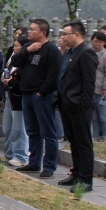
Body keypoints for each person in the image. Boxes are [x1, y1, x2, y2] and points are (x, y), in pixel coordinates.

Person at [12, 19, 62, 178]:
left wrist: (42, 92)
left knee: (48, 132)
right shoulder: (28, 47)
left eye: (33, 29)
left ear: (43, 32)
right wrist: (27, 50)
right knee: (32, 132)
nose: (30, 32)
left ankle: (49, 166)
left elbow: (53, 74)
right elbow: (15, 61)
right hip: (26, 94)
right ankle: (33, 162)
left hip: (41, 96)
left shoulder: (51, 50)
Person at [57, 22, 99, 192]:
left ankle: (86, 179)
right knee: (73, 141)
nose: (63, 37)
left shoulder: (86, 53)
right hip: (66, 103)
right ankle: (76, 173)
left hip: (79, 105)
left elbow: (89, 82)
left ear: (76, 34)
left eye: (66, 34)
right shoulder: (69, 53)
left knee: (83, 142)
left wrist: (83, 104)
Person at [2, 37, 30, 167]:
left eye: (17, 46)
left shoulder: (25, 62)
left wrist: (11, 82)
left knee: (19, 128)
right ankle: (9, 152)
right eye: (14, 46)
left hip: (18, 97)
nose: (14, 48)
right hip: (9, 95)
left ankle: (21, 156)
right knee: (7, 127)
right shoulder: (13, 59)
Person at [90, 32, 106, 142]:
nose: (97, 44)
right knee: (94, 117)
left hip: (103, 91)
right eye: (95, 41)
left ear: (104, 43)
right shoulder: (90, 53)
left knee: (104, 116)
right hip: (92, 90)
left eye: (99, 42)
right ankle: (95, 137)